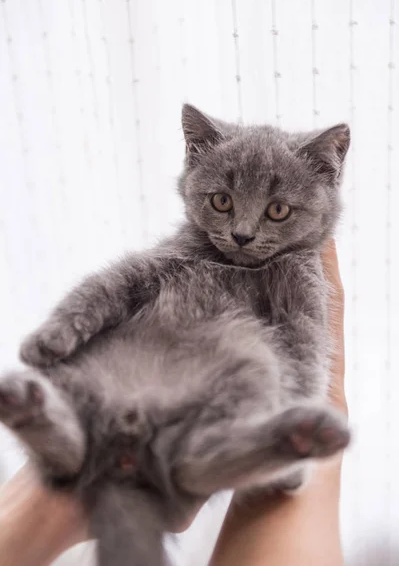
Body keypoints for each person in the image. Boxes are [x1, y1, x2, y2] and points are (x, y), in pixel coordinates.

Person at [0, 240, 347, 566]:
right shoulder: (187, 245)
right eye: (222, 202)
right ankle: (66, 439)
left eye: (276, 211)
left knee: (250, 382)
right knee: (84, 370)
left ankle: (222, 455)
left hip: (199, 401)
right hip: (121, 379)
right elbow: (122, 284)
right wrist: (68, 325)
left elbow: (303, 355)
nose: (243, 230)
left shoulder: (298, 268)